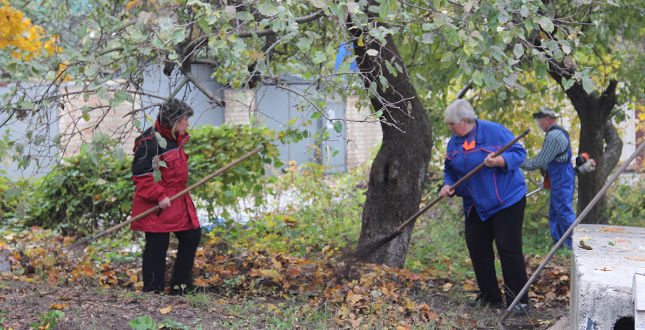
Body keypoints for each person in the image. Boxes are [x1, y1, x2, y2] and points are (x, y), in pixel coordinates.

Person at [440, 99, 530, 316]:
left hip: (506, 200)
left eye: (452, 123)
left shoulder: (494, 131)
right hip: (475, 204)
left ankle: (519, 301)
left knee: (508, 248)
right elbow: (449, 167)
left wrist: (499, 161)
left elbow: (519, 154)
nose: (450, 128)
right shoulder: (454, 141)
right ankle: (491, 297)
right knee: (477, 245)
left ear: (464, 120)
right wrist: (447, 183)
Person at [131, 98, 201, 295]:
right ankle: (153, 290)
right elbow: (142, 176)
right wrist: (159, 195)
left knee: (191, 235)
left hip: (178, 201)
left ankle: (180, 285)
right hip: (157, 205)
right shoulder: (149, 142)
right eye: (185, 120)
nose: (187, 124)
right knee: (157, 244)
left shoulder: (176, 139)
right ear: (173, 121)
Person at [521, 108, 575, 249]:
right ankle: (558, 244)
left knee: (563, 209)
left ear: (547, 119)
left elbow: (541, 160)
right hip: (558, 175)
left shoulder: (554, 136)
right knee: (555, 210)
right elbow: (546, 162)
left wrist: (519, 163)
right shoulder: (556, 132)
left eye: (540, 121)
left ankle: (573, 245)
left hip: (562, 176)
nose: (539, 125)